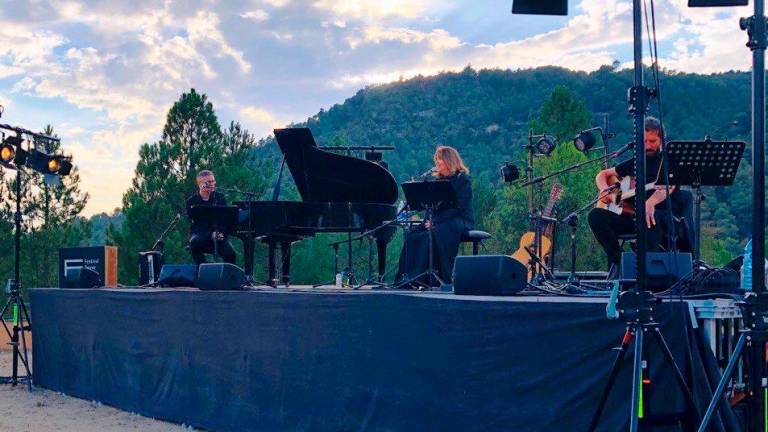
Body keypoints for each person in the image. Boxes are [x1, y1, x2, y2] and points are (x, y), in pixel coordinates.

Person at [588, 117, 695, 278]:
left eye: (652, 141)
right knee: (596, 216)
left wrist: (651, 202)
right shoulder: (636, 162)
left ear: (662, 140)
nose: (648, 146)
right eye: (644, 141)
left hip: (662, 217)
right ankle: (621, 262)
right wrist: (606, 190)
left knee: (650, 216)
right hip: (634, 218)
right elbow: (603, 174)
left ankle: (649, 275)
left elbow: (669, 186)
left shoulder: (670, 160)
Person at [397, 146, 474, 287]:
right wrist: (429, 220)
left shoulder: (462, 179)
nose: (437, 162)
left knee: (434, 234)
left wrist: (436, 222)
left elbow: (459, 207)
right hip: (438, 220)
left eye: (440, 159)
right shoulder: (439, 181)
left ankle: (435, 278)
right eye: (436, 159)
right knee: (413, 235)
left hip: (458, 219)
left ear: (449, 160)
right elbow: (431, 205)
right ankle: (410, 279)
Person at [186, 170, 237, 266]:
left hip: (218, 234)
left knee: (231, 254)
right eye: (208, 182)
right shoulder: (191, 202)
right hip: (201, 235)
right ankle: (203, 270)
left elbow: (225, 220)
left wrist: (221, 233)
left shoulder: (220, 197)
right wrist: (210, 234)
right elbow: (197, 224)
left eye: (213, 181)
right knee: (194, 243)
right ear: (200, 184)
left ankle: (228, 277)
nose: (212, 184)